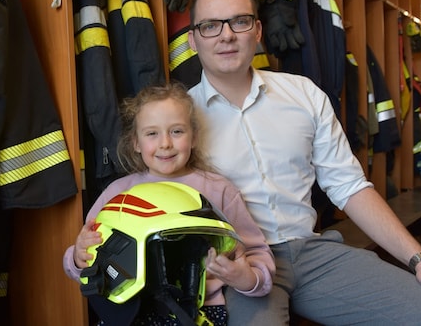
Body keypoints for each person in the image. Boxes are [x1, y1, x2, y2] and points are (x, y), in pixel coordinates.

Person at [186, 0, 421, 325]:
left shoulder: (304, 94)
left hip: (313, 253)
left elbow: (350, 188)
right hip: (244, 266)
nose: (226, 35)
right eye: (210, 26)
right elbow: (143, 194)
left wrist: (419, 259)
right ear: (193, 40)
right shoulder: (179, 120)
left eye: (239, 21)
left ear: (257, 31)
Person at [63, 82, 275, 325]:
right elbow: (82, 262)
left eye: (176, 131)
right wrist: (78, 258)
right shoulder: (117, 193)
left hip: (198, 313)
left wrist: (246, 278)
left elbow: (258, 254)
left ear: (194, 137)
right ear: (135, 142)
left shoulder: (219, 190)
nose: (165, 143)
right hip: (128, 314)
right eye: (152, 133)